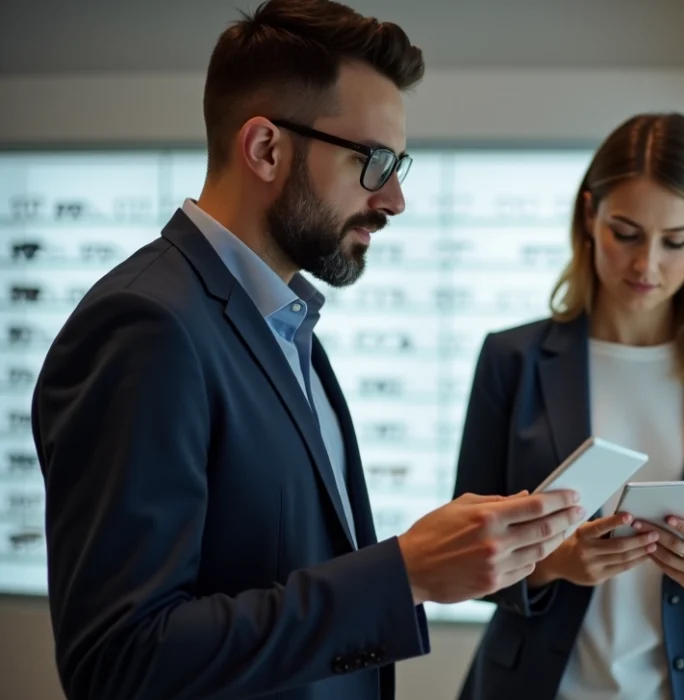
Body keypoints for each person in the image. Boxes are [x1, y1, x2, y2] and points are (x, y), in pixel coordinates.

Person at [29, 2, 583, 699]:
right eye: (373, 161)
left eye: (398, 163)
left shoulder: (285, 323)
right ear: (265, 149)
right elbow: (120, 663)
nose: (395, 199)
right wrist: (402, 572)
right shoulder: (146, 326)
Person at [452, 113, 684, 700]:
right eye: (626, 233)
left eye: (675, 241)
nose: (646, 265)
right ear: (590, 217)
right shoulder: (513, 359)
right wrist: (556, 562)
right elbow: (462, 555)